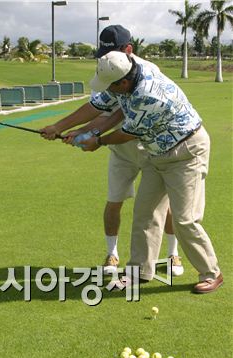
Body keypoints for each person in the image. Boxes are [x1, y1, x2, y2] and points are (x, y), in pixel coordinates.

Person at [42, 25, 184, 276]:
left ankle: (173, 255)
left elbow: (122, 121)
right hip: (120, 149)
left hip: (148, 146)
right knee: (114, 201)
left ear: (128, 50)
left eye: (114, 51)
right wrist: (65, 128)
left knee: (163, 206)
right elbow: (100, 109)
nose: (106, 58)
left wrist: (95, 138)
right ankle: (112, 254)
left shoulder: (146, 74)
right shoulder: (108, 69)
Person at [78, 51, 222, 293]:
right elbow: (98, 108)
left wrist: (98, 141)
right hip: (158, 152)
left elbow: (127, 133)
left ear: (123, 82)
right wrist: (70, 130)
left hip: (187, 152)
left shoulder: (147, 94)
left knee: (185, 219)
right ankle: (139, 271)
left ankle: (211, 272)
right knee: (145, 212)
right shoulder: (129, 73)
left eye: (111, 86)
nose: (108, 91)